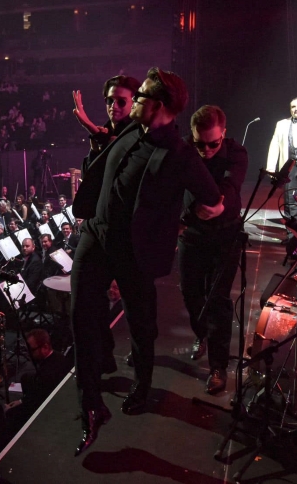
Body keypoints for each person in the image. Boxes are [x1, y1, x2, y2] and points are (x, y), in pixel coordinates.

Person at [70, 67, 222, 456]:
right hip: (96, 236)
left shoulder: (181, 154)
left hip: (133, 251)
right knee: (82, 317)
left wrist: (194, 217)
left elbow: (213, 200)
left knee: (141, 323)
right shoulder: (128, 131)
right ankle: (91, 404)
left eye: (139, 98)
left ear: (159, 105)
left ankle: (141, 384)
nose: (132, 102)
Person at [177, 106, 248, 395]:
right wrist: (191, 210)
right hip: (193, 232)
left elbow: (232, 185)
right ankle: (201, 334)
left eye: (213, 144)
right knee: (190, 292)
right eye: (200, 143)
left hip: (226, 235)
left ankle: (219, 365)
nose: (206, 150)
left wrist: (219, 207)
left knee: (218, 298)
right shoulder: (184, 150)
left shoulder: (237, 153)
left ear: (224, 134)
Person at [5, 329, 70, 432]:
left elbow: (40, 397)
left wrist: (20, 403)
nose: (28, 354)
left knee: (10, 414)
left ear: (45, 347)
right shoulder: (57, 357)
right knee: (25, 378)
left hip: (49, 405)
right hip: (46, 392)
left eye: (31, 350)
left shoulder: (48, 373)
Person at [72, 74, 139, 169]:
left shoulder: (138, 132)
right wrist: (94, 151)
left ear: (134, 103)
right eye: (110, 100)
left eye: (121, 101)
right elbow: (88, 178)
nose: (113, 106)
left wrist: (92, 128)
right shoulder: (105, 129)